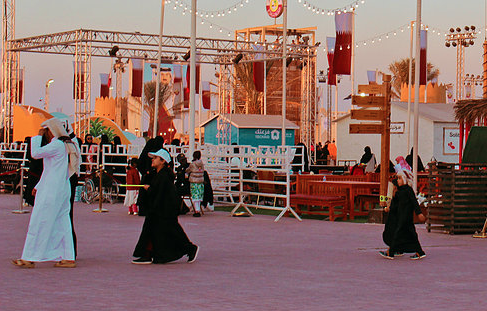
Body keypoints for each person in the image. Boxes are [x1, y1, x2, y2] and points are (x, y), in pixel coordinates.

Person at [12, 118, 77, 268]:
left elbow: (35, 153)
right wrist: (39, 185)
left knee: (39, 221)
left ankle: (29, 257)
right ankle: (68, 257)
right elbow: (51, 169)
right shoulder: (65, 144)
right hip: (61, 187)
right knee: (62, 222)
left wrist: (36, 137)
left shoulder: (56, 145)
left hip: (52, 190)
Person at [132, 148, 199, 265]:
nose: (152, 160)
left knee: (172, 232)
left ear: (163, 161)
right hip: (160, 209)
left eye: (155, 158)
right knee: (156, 231)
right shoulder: (160, 174)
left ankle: (190, 248)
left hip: (164, 210)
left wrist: (150, 189)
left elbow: (160, 193)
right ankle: (148, 254)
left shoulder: (164, 176)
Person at [380, 170, 426, 260]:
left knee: (398, 233)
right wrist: (389, 208)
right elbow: (395, 204)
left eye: (400, 178)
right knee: (410, 235)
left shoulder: (408, 191)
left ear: (405, 180)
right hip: (400, 216)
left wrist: (419, 213)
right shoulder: (399, 191)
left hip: (406, 217)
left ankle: (391, 252)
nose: (398, 180)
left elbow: (414, 203)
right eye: (398, 179)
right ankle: (418, 251)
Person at [185, 150, 205, 217]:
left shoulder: (192, 164)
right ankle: (198, 209)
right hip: (200, 181)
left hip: (194, 181)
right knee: (199, 196)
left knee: (195, 196)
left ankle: (197, 211)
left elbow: (188, 170)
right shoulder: (201, 164)